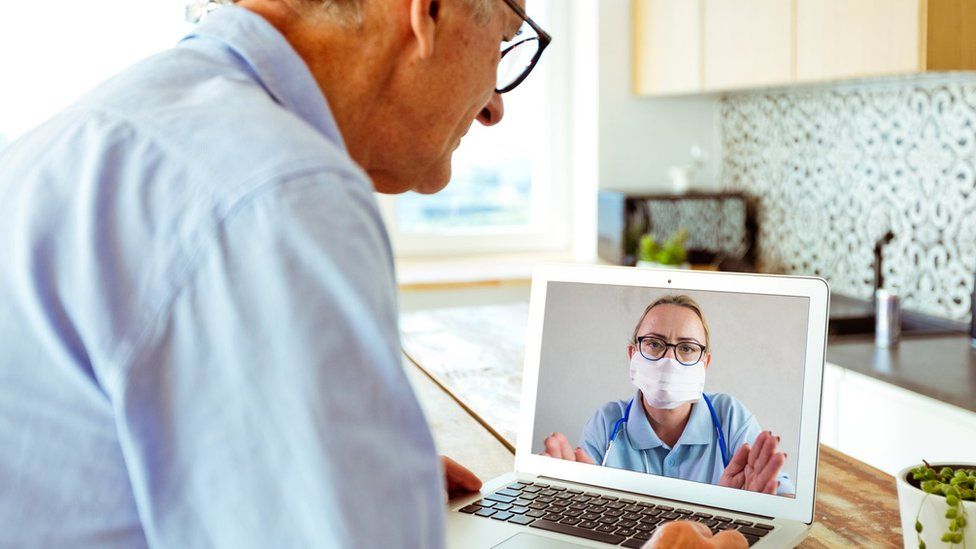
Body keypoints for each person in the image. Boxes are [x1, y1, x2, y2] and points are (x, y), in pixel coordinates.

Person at [0, 0, 532, 546]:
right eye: (506, 40)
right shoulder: (281, 190)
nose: (494, 107)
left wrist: (362, 475)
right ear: (429, 10)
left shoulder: (95, 128)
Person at [542, 295, 794, 496]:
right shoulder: (607, 422)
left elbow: (782, 495)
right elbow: (584, 499)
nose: (669, 359)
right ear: (633, 354)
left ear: (704, 363)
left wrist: (756, 507)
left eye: (686, 348)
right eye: (654, 343)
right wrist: (575, 497)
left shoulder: (730, 417)